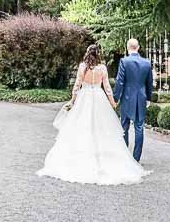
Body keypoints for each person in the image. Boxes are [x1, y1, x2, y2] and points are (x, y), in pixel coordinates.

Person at [36, 43, 150, 185]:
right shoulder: (102, 68)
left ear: (87, 53)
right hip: (99, 98)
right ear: (98, 54)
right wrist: (113, 103)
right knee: (102, 128)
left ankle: (83, 157)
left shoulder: (82, 67)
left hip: (84, 99)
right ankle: (104, 158)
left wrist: (72, 101)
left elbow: (76, 86)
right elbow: (107, 88)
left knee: (81, 127)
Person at [113, 37, 154, 162]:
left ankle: (125, 157)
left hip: (126, 98)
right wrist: (149, 98)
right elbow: (149, 83)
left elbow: (119, 82)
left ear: (127, 48)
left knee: (124, 127)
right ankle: (136, 159)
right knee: (139, 127)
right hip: (141, 98)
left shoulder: (124, 61)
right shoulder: (147, 63)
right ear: (138, 47)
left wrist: (115, 98)